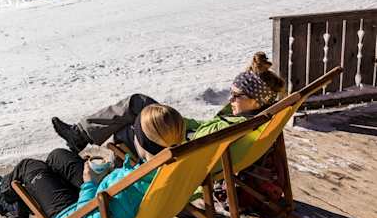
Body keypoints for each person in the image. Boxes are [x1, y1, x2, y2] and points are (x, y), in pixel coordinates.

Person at [0, 104, 186, 218]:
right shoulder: (173, 171)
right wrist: (106, 178)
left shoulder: (130, 187)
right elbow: (119, 199)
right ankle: (18, 203)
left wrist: (89, 183)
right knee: (58, 156)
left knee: (28, 167)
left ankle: (7, 198)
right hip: (103, 201)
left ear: (141, 141)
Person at [51, 52, 286, 153]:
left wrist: (169, 122)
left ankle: (82, 143)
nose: (230, 99)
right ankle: (80, 135)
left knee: (130, 120)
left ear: (255, 101)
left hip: (174, 145)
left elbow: (194, 140)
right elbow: (201, 130)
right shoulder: (250, 120)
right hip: (181, 136)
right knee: (137, 104)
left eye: (237, 96)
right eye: (231, 93)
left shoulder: (234, 126)